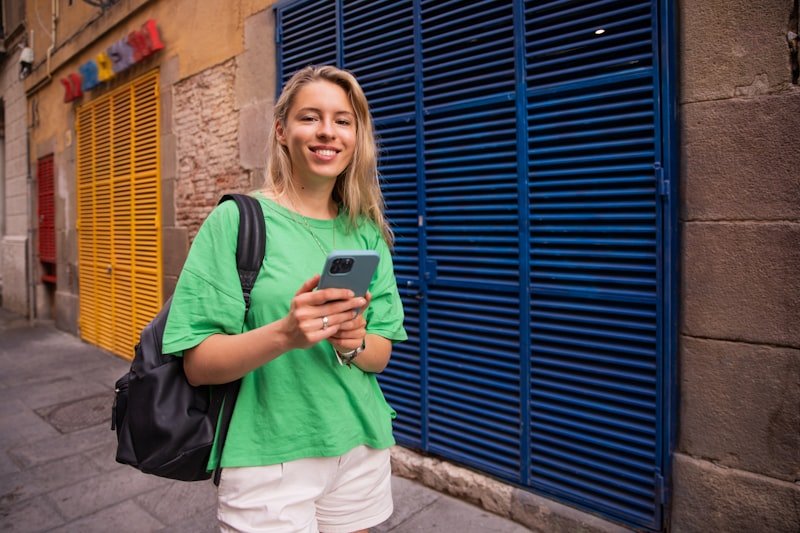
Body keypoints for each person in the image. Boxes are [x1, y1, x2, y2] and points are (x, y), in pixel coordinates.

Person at [162, 65, 407, 533]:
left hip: (359, 445)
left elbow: (381, 354)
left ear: (356, 135)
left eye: (343, 120)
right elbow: (197, 364)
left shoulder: (367, 232)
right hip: (266, 456)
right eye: (310, 117)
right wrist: (285, 334)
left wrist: (352, 341)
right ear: (281, 130)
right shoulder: (237, 221)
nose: (327, 132)